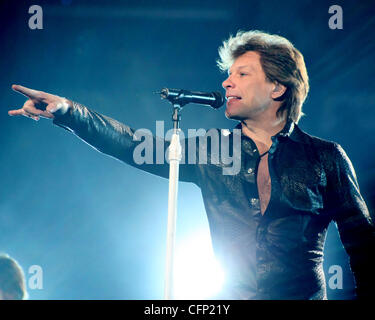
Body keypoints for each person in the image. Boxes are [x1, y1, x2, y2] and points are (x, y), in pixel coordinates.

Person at [8, 30, 374, 300]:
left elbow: (363, 247)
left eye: (242, 74)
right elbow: (134, 143)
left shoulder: (326, 158)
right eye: (229, 74)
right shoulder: (211, 151)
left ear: (278, 88)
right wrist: (70, 112)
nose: (227, 82)